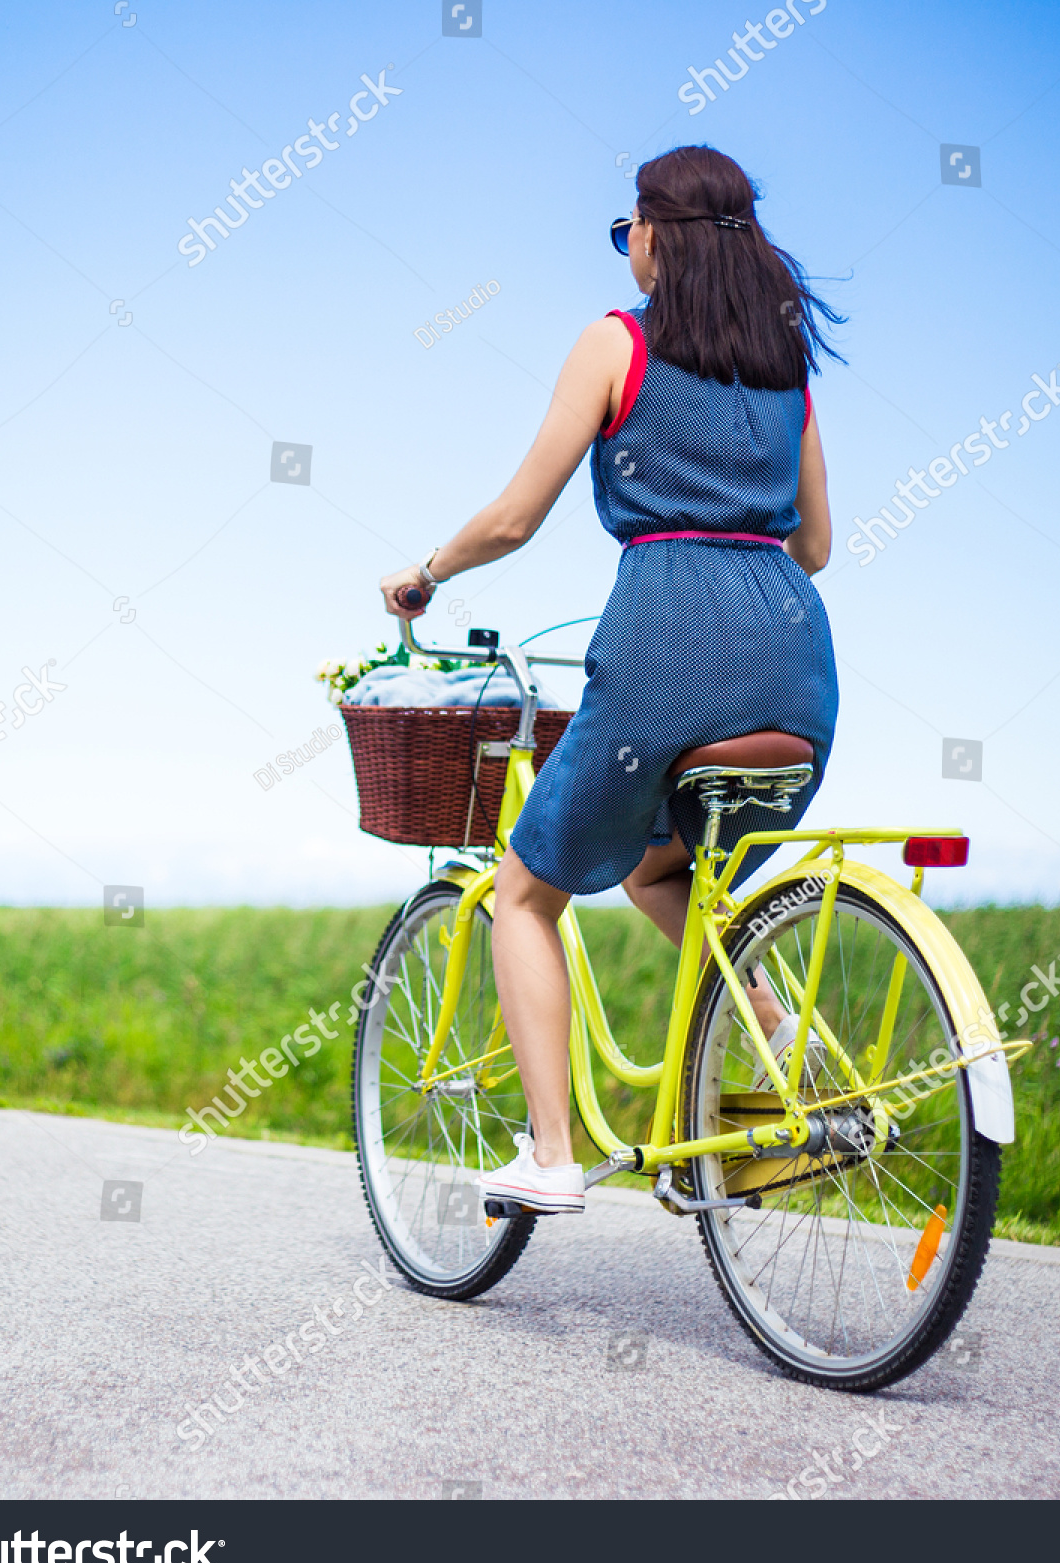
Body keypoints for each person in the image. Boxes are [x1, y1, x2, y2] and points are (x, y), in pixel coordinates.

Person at [380, 145, 842, 1215]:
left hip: (661, 648)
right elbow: (815, 544)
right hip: (796, 660)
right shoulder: (788, 374)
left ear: (653, 235)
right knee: (659, 869)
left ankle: (550, 1155)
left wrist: (427, 573)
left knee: (524, 893)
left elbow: (514, 516)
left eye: (627, 226)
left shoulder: (616, 342)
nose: (624, 245)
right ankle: (785, 1033)